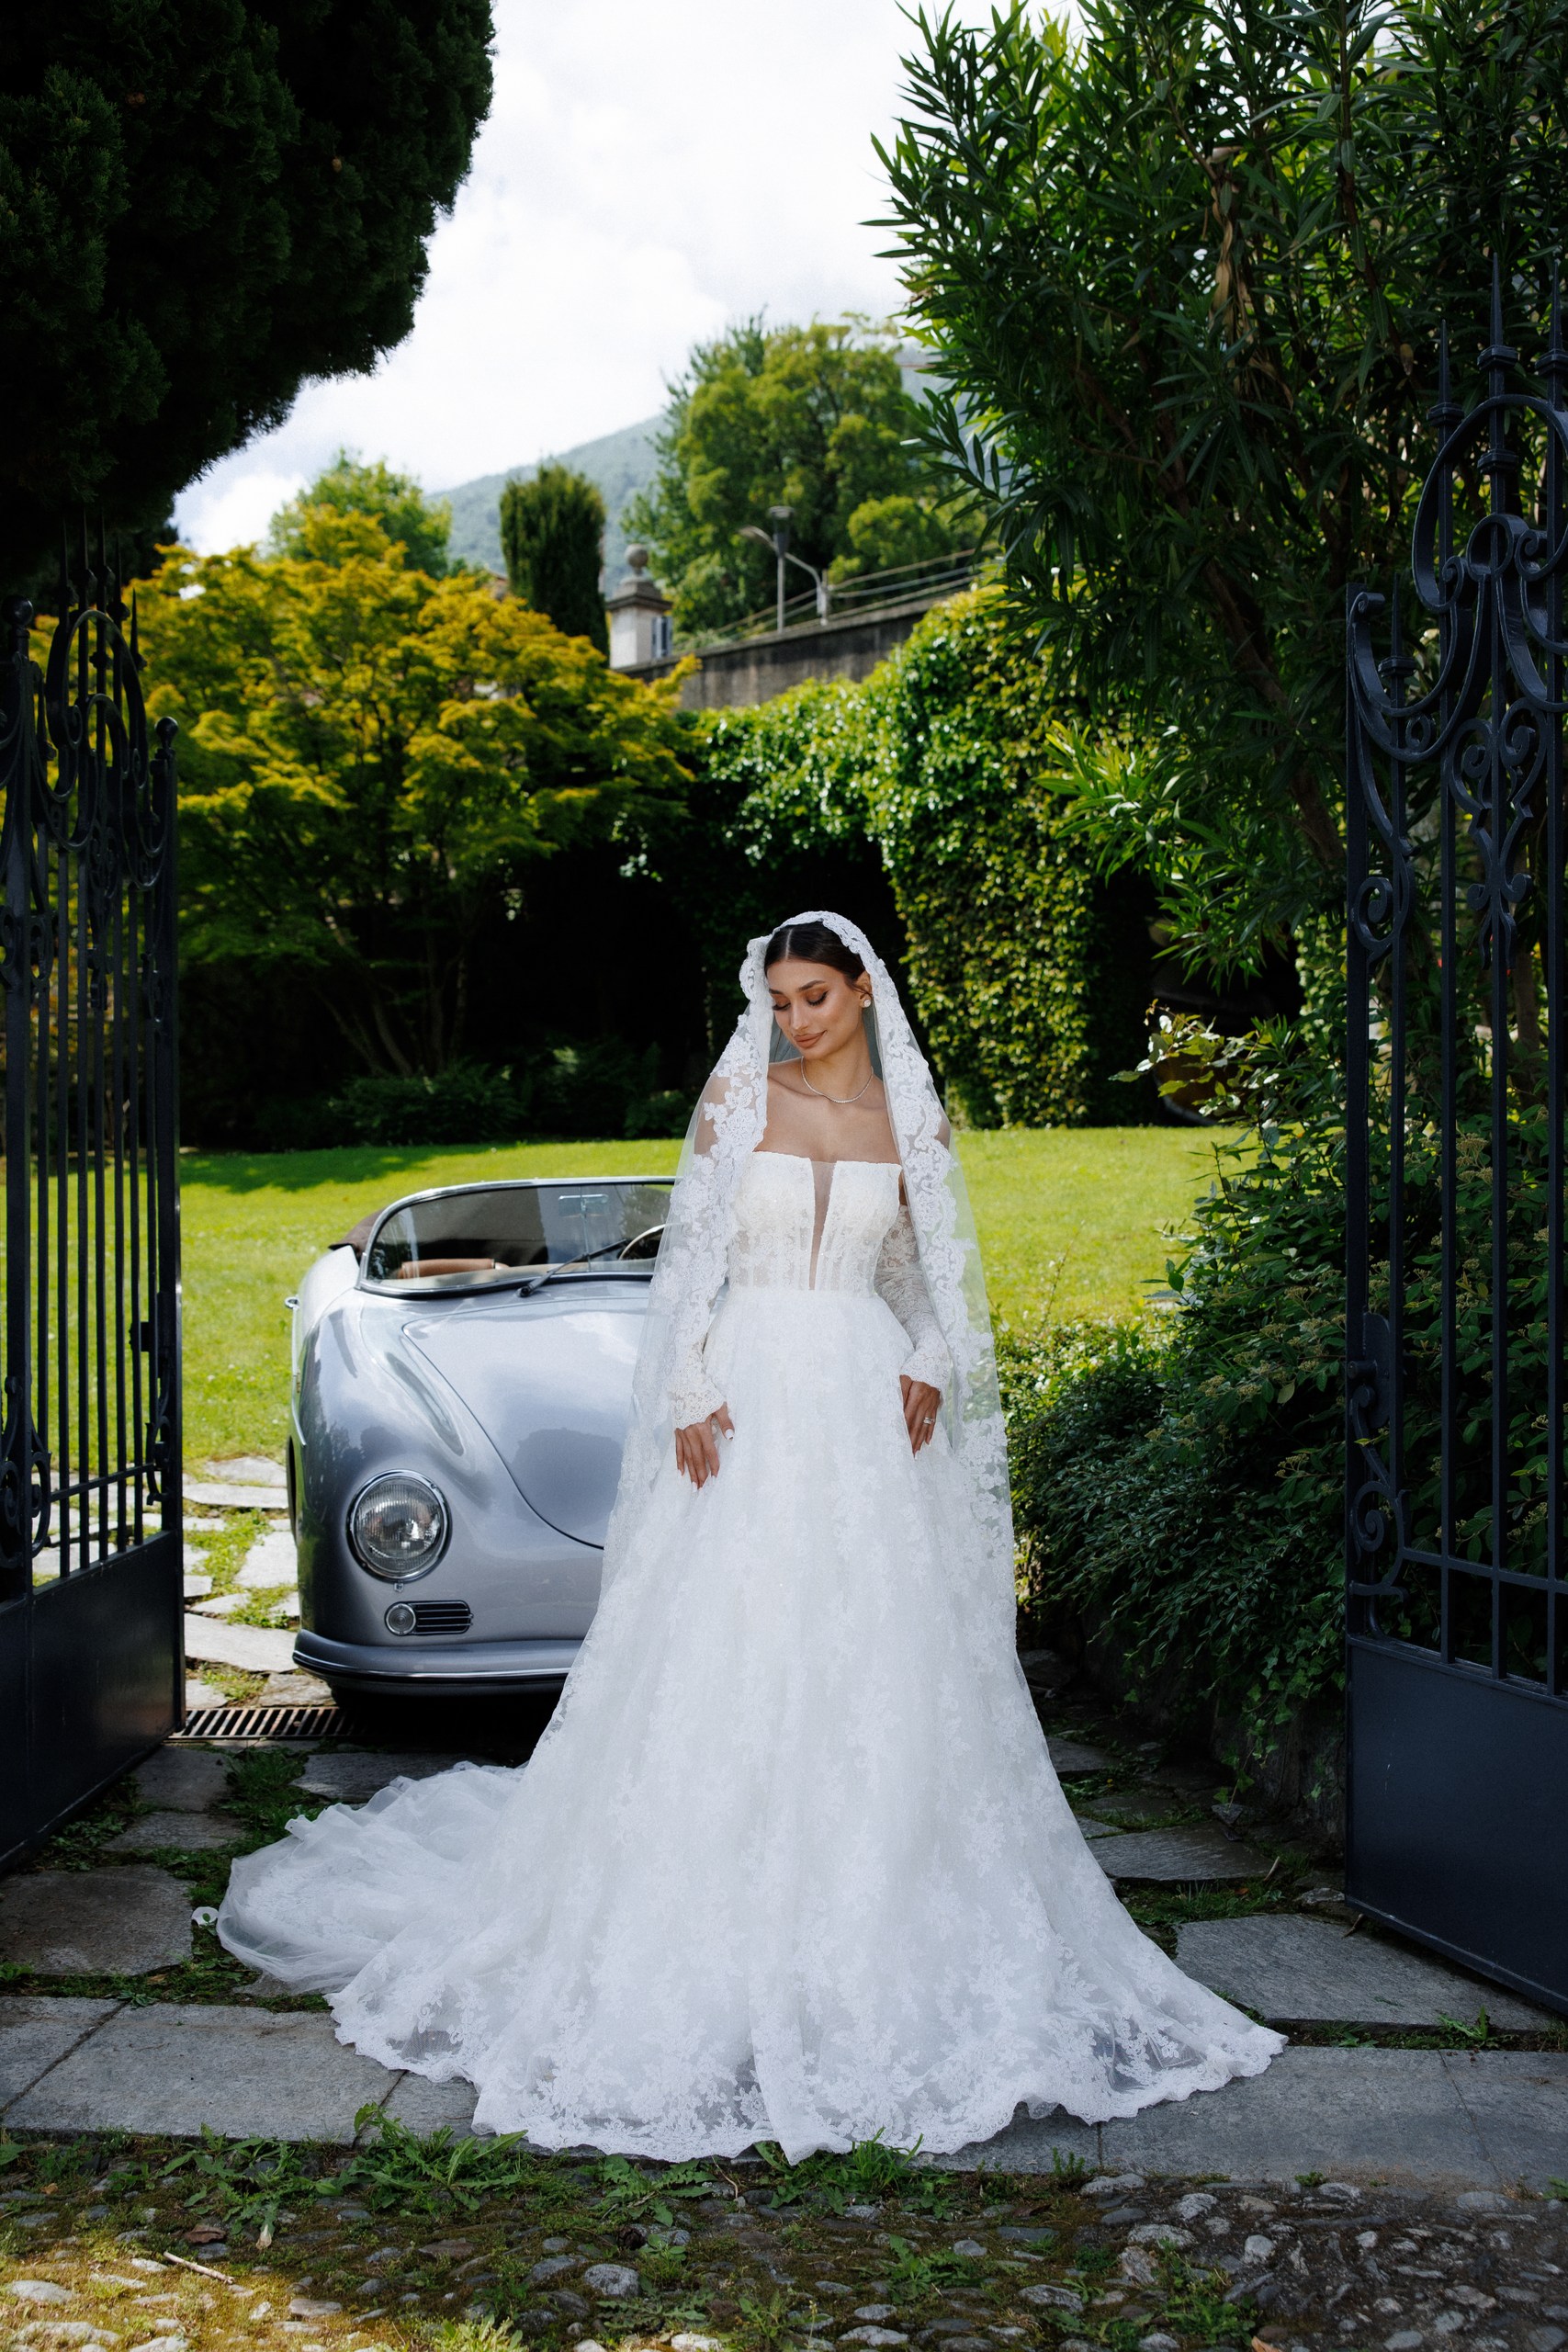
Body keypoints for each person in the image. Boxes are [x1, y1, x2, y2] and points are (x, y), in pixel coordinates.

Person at [219, 910, 1281, 2159]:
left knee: (875, 1655)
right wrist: (687, 1387)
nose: (796, 1019)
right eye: (780, 999)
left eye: (815, 997)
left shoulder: (913, 1126)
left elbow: (929, 1282)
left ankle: (877, 1906)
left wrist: (933, 1358)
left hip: (868, 1403)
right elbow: (695, 1275)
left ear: (863, 996)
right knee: (738, 1641)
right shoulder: (741, 1104)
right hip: (754, 1394)